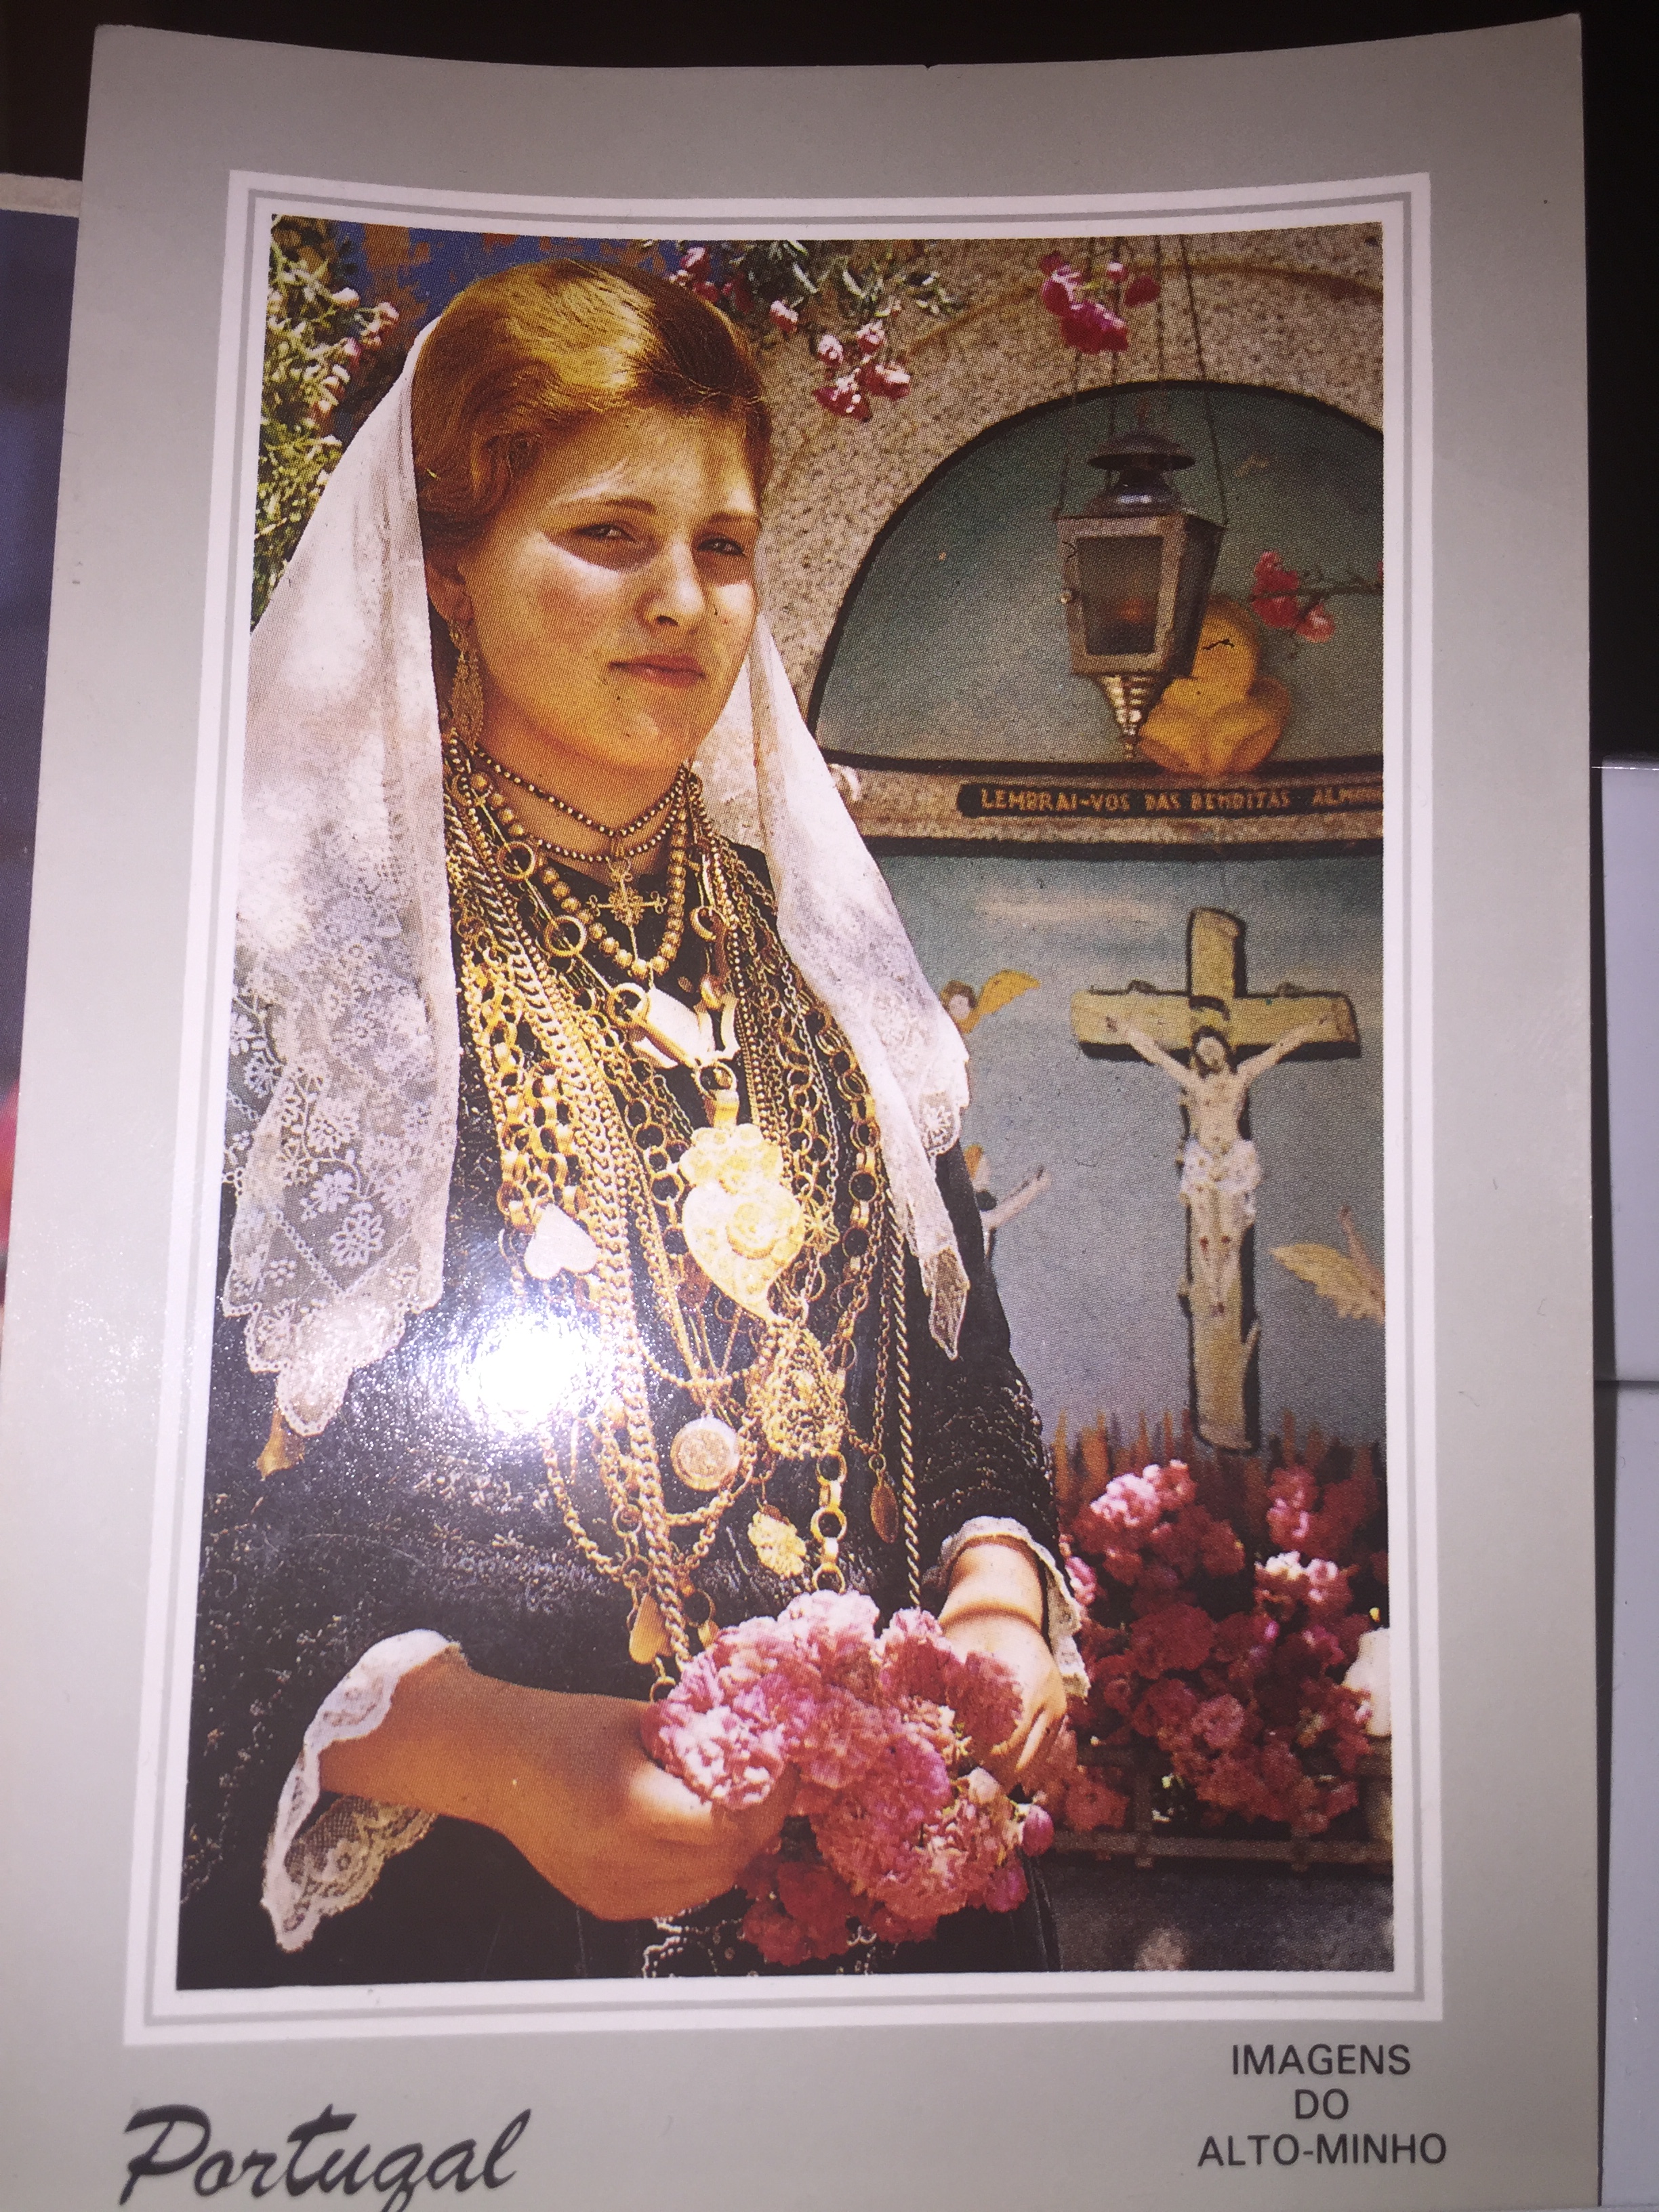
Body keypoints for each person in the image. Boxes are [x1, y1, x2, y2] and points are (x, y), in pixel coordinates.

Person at [180, 260, 1078, 1987]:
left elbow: (959, 1373)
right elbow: (148, 1508)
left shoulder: (819, 949)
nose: (681, 599)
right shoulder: (301, 968)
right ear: (445, 572)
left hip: (879, 1914)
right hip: (477, 1929)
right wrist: (495, 1752)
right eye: (609, 535)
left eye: (723, 546)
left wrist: (995, 1600)